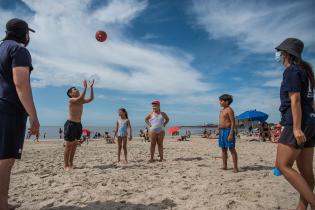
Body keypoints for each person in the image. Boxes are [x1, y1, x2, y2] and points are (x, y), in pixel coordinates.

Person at [0, 18, 40, 210]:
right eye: (28, 33)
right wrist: (33, 117)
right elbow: (21, 84)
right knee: (5, 160)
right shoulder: (19, 50)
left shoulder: (1, 48)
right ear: (24, 33)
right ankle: (2, 204)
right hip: (9, 110)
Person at [275, 38, 315, 209]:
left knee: (283, 165)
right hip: (311, 121)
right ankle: (301, 207)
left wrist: (297, 127)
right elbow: (312, 102)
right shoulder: (306, 72)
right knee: (306, 171)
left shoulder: (292, 71)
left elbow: (296, 99)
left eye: (279, 52)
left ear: (286, 53)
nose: (277, 55)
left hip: (296, 123)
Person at [64, 80, 94, 171]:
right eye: (74, 89)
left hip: (78, 125)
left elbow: (91, 99)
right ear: (70, 93)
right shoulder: (72, 100)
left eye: (76, 88)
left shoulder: (81, 101)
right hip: (71, 124)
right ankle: (66, 165)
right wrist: (85, 88)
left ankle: (71, 163)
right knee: (68, 145)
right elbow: (80, 98)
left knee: (74, 145)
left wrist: (91, 87)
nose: (76, 90)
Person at [218, 94, 238, 173]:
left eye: (221, 101)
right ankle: (225, 166)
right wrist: (218, 128)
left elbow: (233, 123)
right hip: (221, 131)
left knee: (231, 149)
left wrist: (230, 134)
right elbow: (221, 121)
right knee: (223, 149)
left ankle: (235, 167)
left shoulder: (230, 110)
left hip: (228, 130)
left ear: (227, 101)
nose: (220, 102)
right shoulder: (221, 110)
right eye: (220, 100)